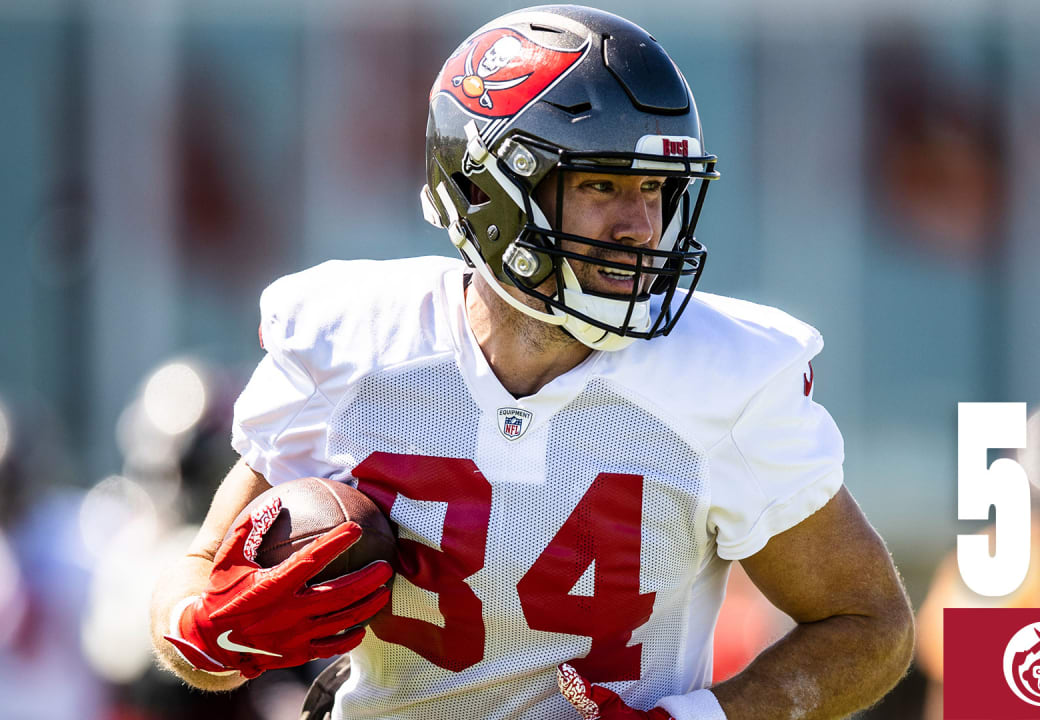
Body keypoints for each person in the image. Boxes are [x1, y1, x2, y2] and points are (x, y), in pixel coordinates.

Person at [149, 6, 914, 719]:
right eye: (602, 184)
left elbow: (869, 625)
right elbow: (196, 591)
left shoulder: (725, 379)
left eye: (655, 189)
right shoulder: (352, 346)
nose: (641, 226)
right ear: (487, 194)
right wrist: (212, 632)